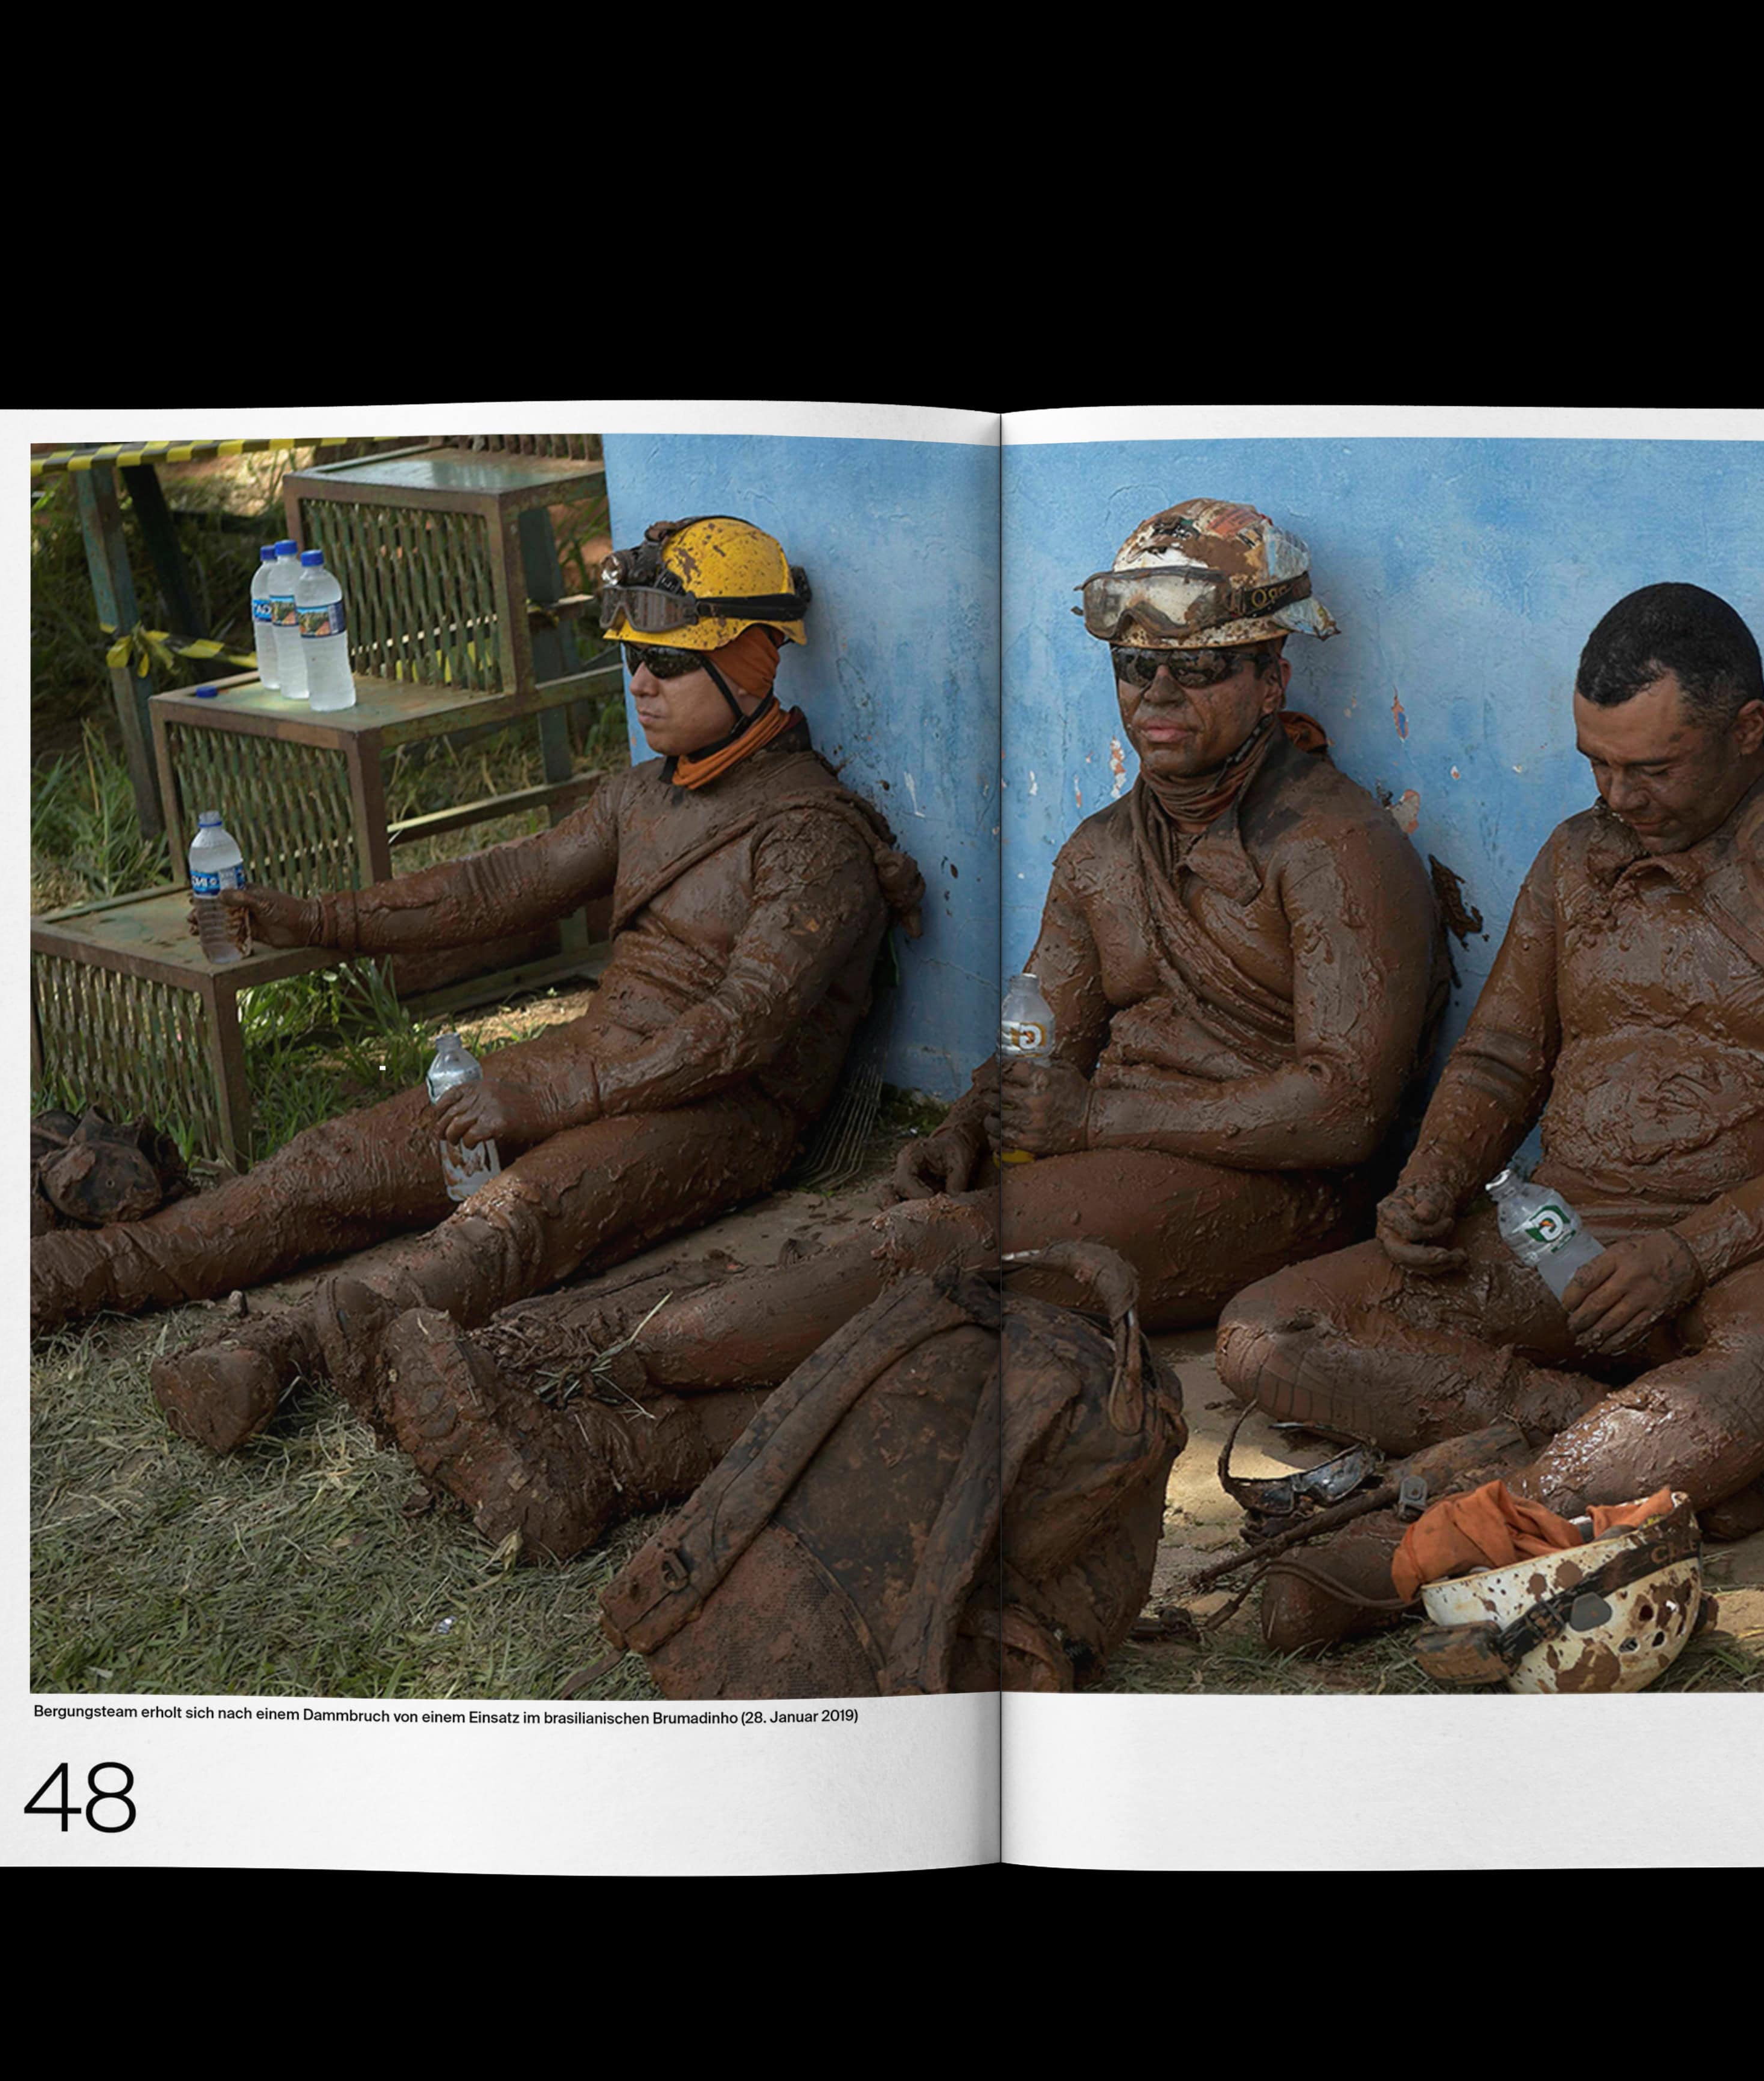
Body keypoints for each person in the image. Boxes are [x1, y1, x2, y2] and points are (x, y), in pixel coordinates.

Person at [351, 499, 1453, 1556]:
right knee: (925, 1305)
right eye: (1134, 665)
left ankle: (540, 1360)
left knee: (934, 1257)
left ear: (1272, 677)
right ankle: (597, 1442)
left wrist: (1092, 1114)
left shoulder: (1332, 846)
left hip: (1271, 1187)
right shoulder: (1103, 851)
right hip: (1111, 1149)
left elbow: (1342, 1111)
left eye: (1199, 665)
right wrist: (969, 1123)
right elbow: (1037, 1038)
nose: (1157, 691)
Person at [29, 516, 924, 1454]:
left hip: (724, 1113)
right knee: (330, 1164)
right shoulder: (645, 795)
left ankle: (274, 1351)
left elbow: (743, 1029)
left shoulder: (811, 835)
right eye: (631, 659)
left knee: (506, 1221)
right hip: (592, 1064)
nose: (640, 684)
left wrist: (549, 1095)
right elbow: (495, 886)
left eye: (667, 661)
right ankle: (70, 1275)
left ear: (750, 664)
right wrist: (324, 921)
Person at [1212, 583, 1764, 1646]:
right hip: (1559, 1232)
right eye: (1596, 763)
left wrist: (1691, 1252)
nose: (1619, 795)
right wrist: (1430, 1175)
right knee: (1263, 1333)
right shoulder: (1577, 856)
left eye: (1652, 768)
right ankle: (1639, 1452)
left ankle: (1421, 1552)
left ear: (1747, 731)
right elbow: (1505, 1050)